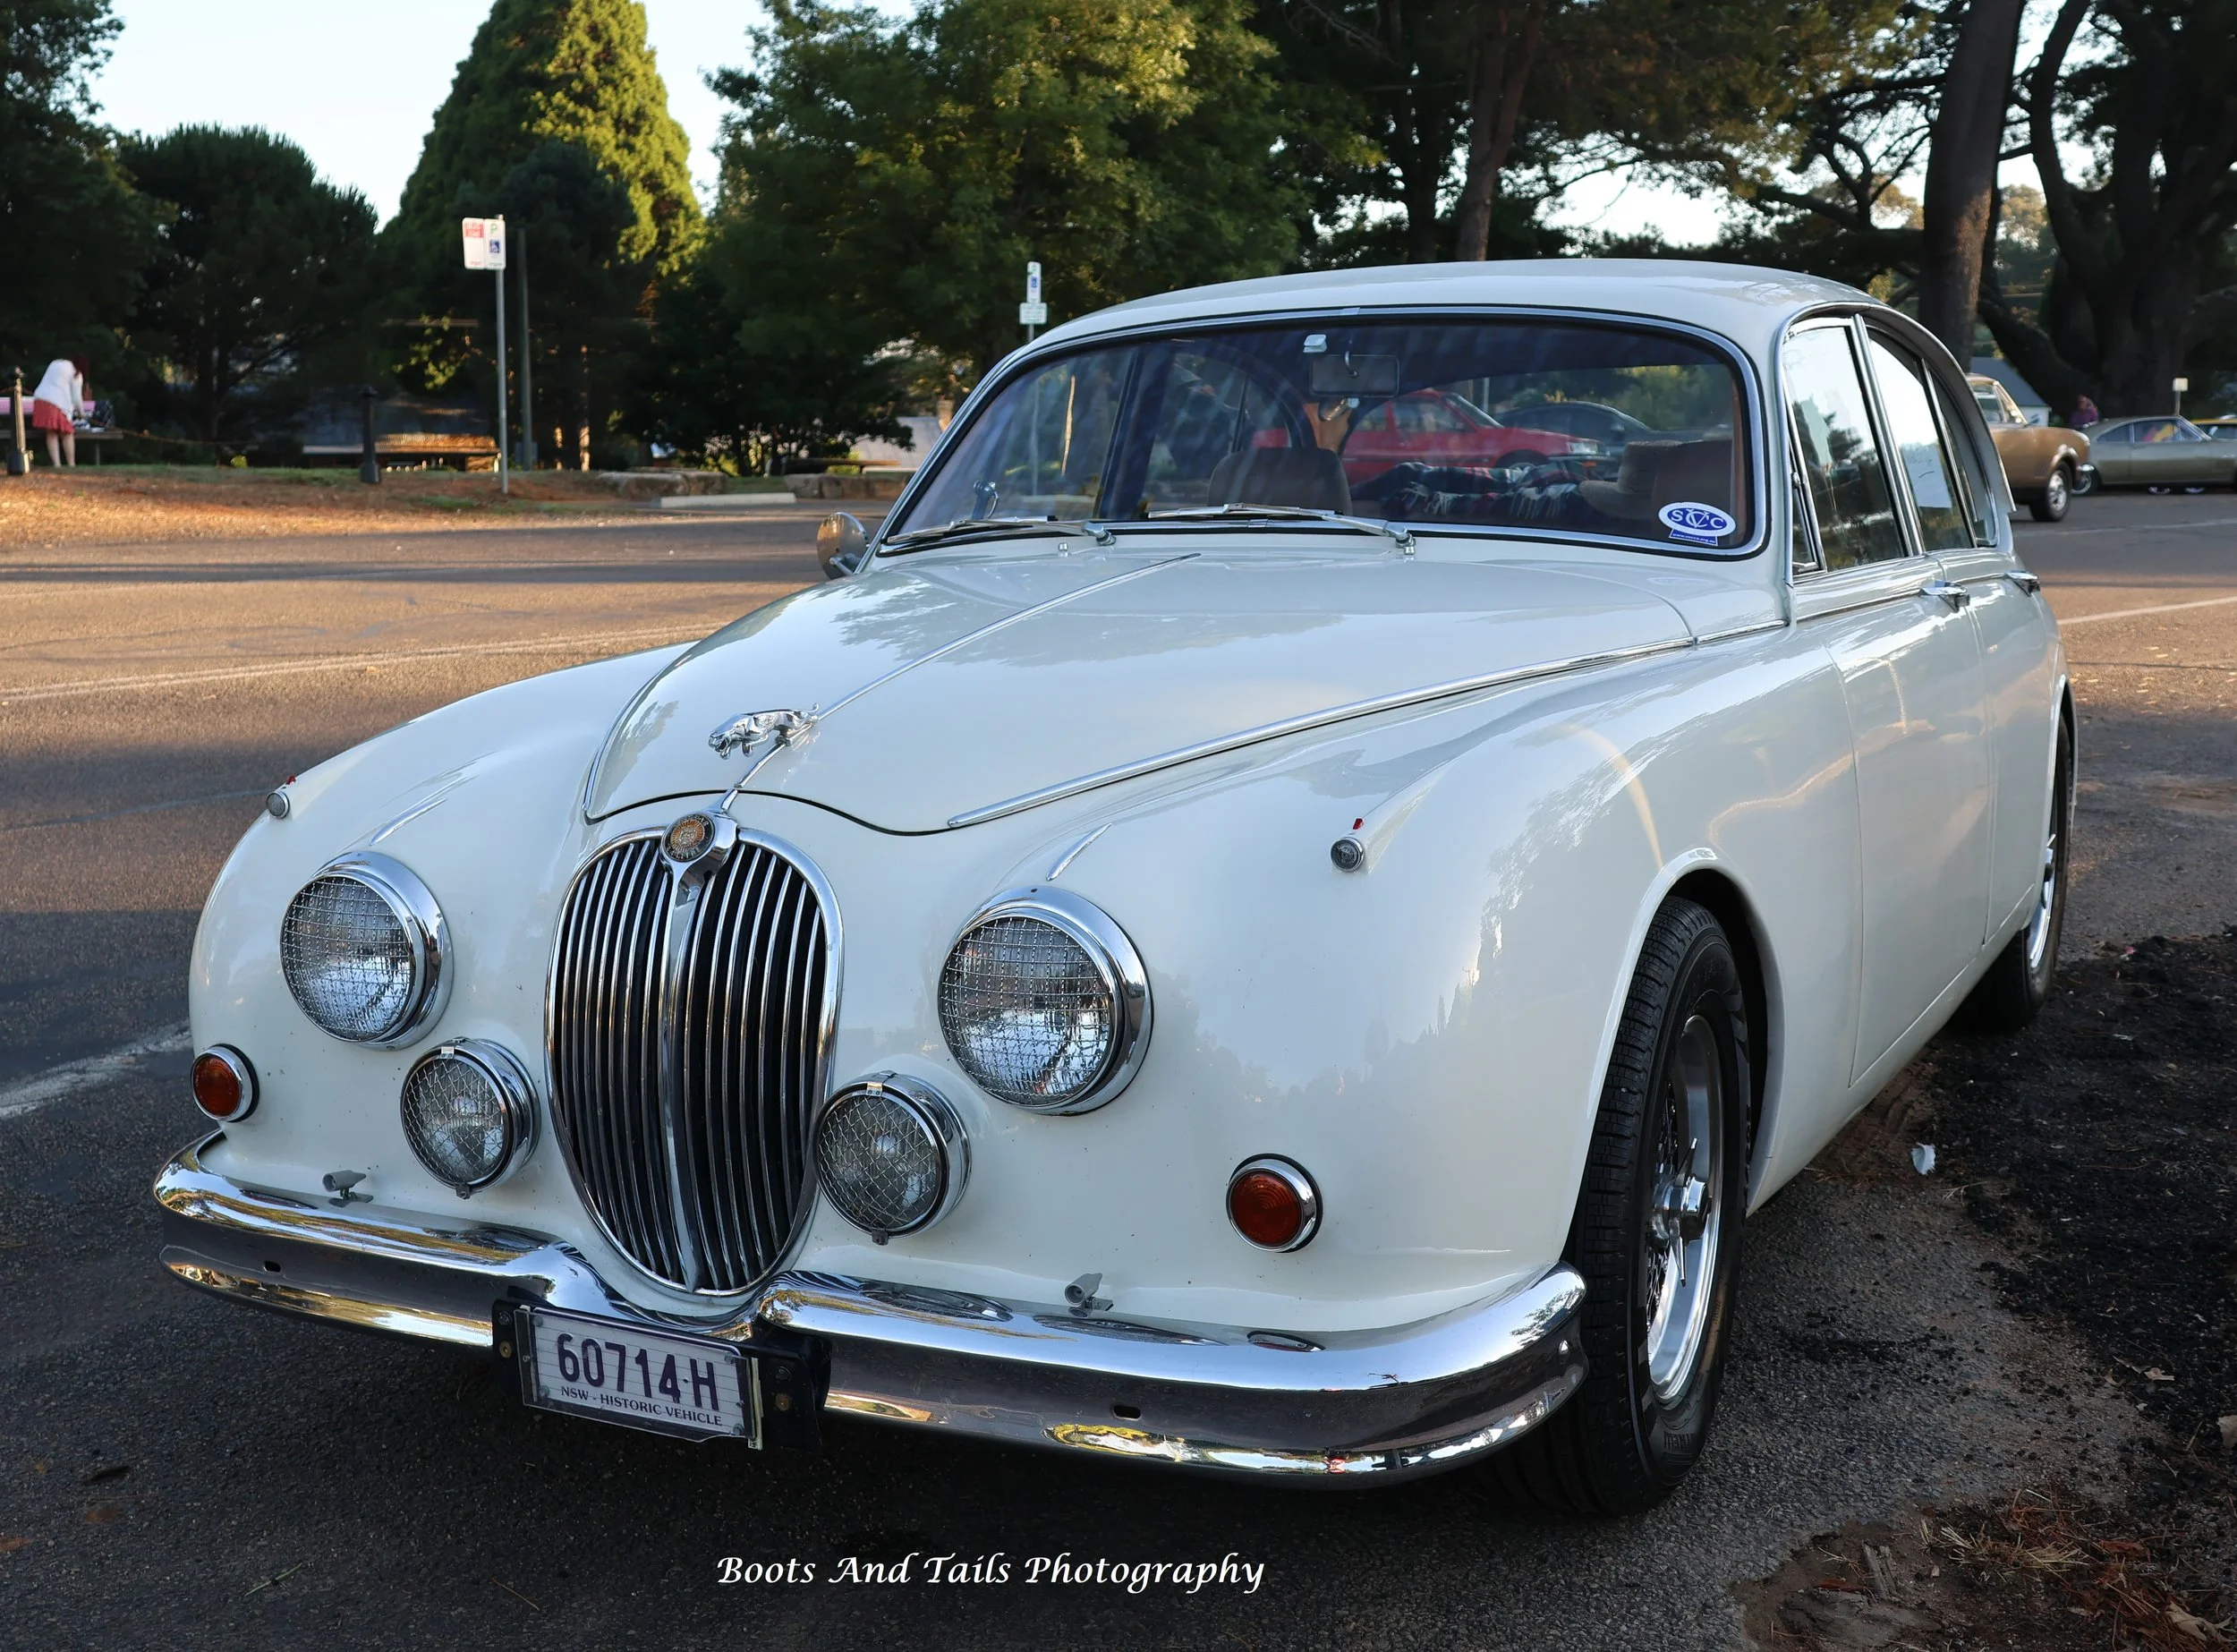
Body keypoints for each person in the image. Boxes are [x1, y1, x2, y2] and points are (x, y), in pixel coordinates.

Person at [30, 356, 87, 466]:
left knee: (51, 433)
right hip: (56, 403)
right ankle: (71, 464)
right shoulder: (76, 373)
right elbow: (76, 397)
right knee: (67, 433)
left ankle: (57, 464)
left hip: (40, 399)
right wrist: (82, 414)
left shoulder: (55, 363)